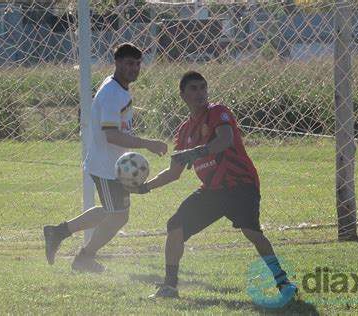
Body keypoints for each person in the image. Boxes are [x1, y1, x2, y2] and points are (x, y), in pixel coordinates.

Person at [128, 71, 298, 298]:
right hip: (212, 191)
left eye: (202, 87)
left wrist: (197, 151)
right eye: (193, 89)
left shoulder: (218, 112)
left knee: (253, 233)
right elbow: (174, 172)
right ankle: (169, 286)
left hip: (240, 186)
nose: (199, 93)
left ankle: (284, 282)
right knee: (175, 225)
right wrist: (145, 187)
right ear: (183, 96)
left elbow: (225, 140)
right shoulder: (184, 130)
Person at [43, 43, 167, 272]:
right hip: (106, 166)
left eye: (138, 64)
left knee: (113, 212)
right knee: (118, 217)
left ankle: (58, 232)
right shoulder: (112, 93)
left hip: (113, 165)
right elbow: (111, 135)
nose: (134, 68)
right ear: (117, 63)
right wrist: (147, 144)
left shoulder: (119, 89)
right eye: (129, 63)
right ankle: (83, 258)